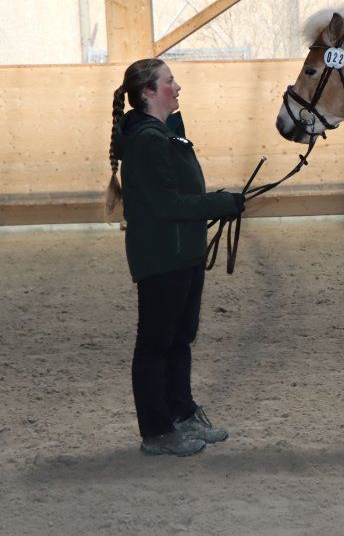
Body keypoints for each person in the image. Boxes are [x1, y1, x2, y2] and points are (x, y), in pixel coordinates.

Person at [106, 58, 245, 457]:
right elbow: (167, 204)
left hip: (182, 252)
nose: (177, 87)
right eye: (170, 82)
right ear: (149, 92)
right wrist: (219, 204)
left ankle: (180, 413)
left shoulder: (164, 133)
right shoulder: (148, 140)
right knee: (155, 343)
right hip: (162, 256)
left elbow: (178, 191)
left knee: (180, 338)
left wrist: (216, 202)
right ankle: (158, 430)